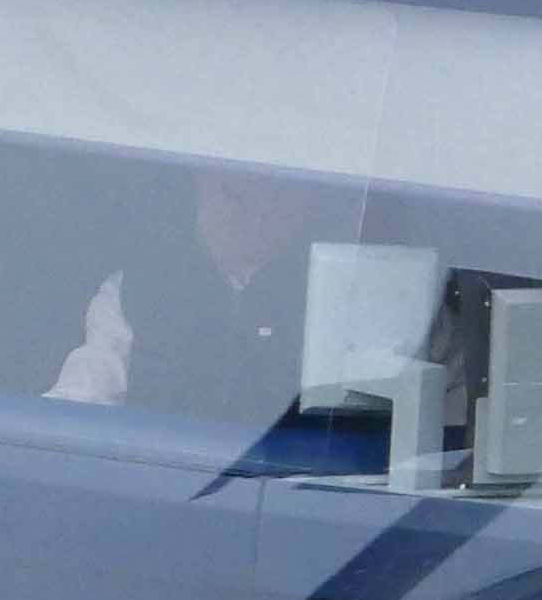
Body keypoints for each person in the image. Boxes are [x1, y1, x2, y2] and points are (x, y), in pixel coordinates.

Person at [48, 164, 338, 419]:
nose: (256, 214)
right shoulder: (137, 290)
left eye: (276, 198)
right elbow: (85, 392)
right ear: (202, 185)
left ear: (305, 206)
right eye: (234, 196)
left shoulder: (333, 300)